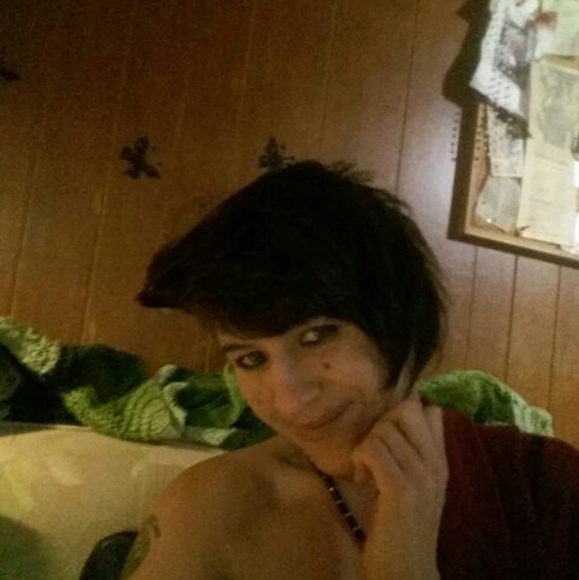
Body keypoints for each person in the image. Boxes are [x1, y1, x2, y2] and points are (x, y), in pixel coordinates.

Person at [126, 161, 579, 579]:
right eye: (251, 359)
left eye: (317, 335)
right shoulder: (212, 508)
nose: (289, 401)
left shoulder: (545, 487)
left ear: (401, 319)